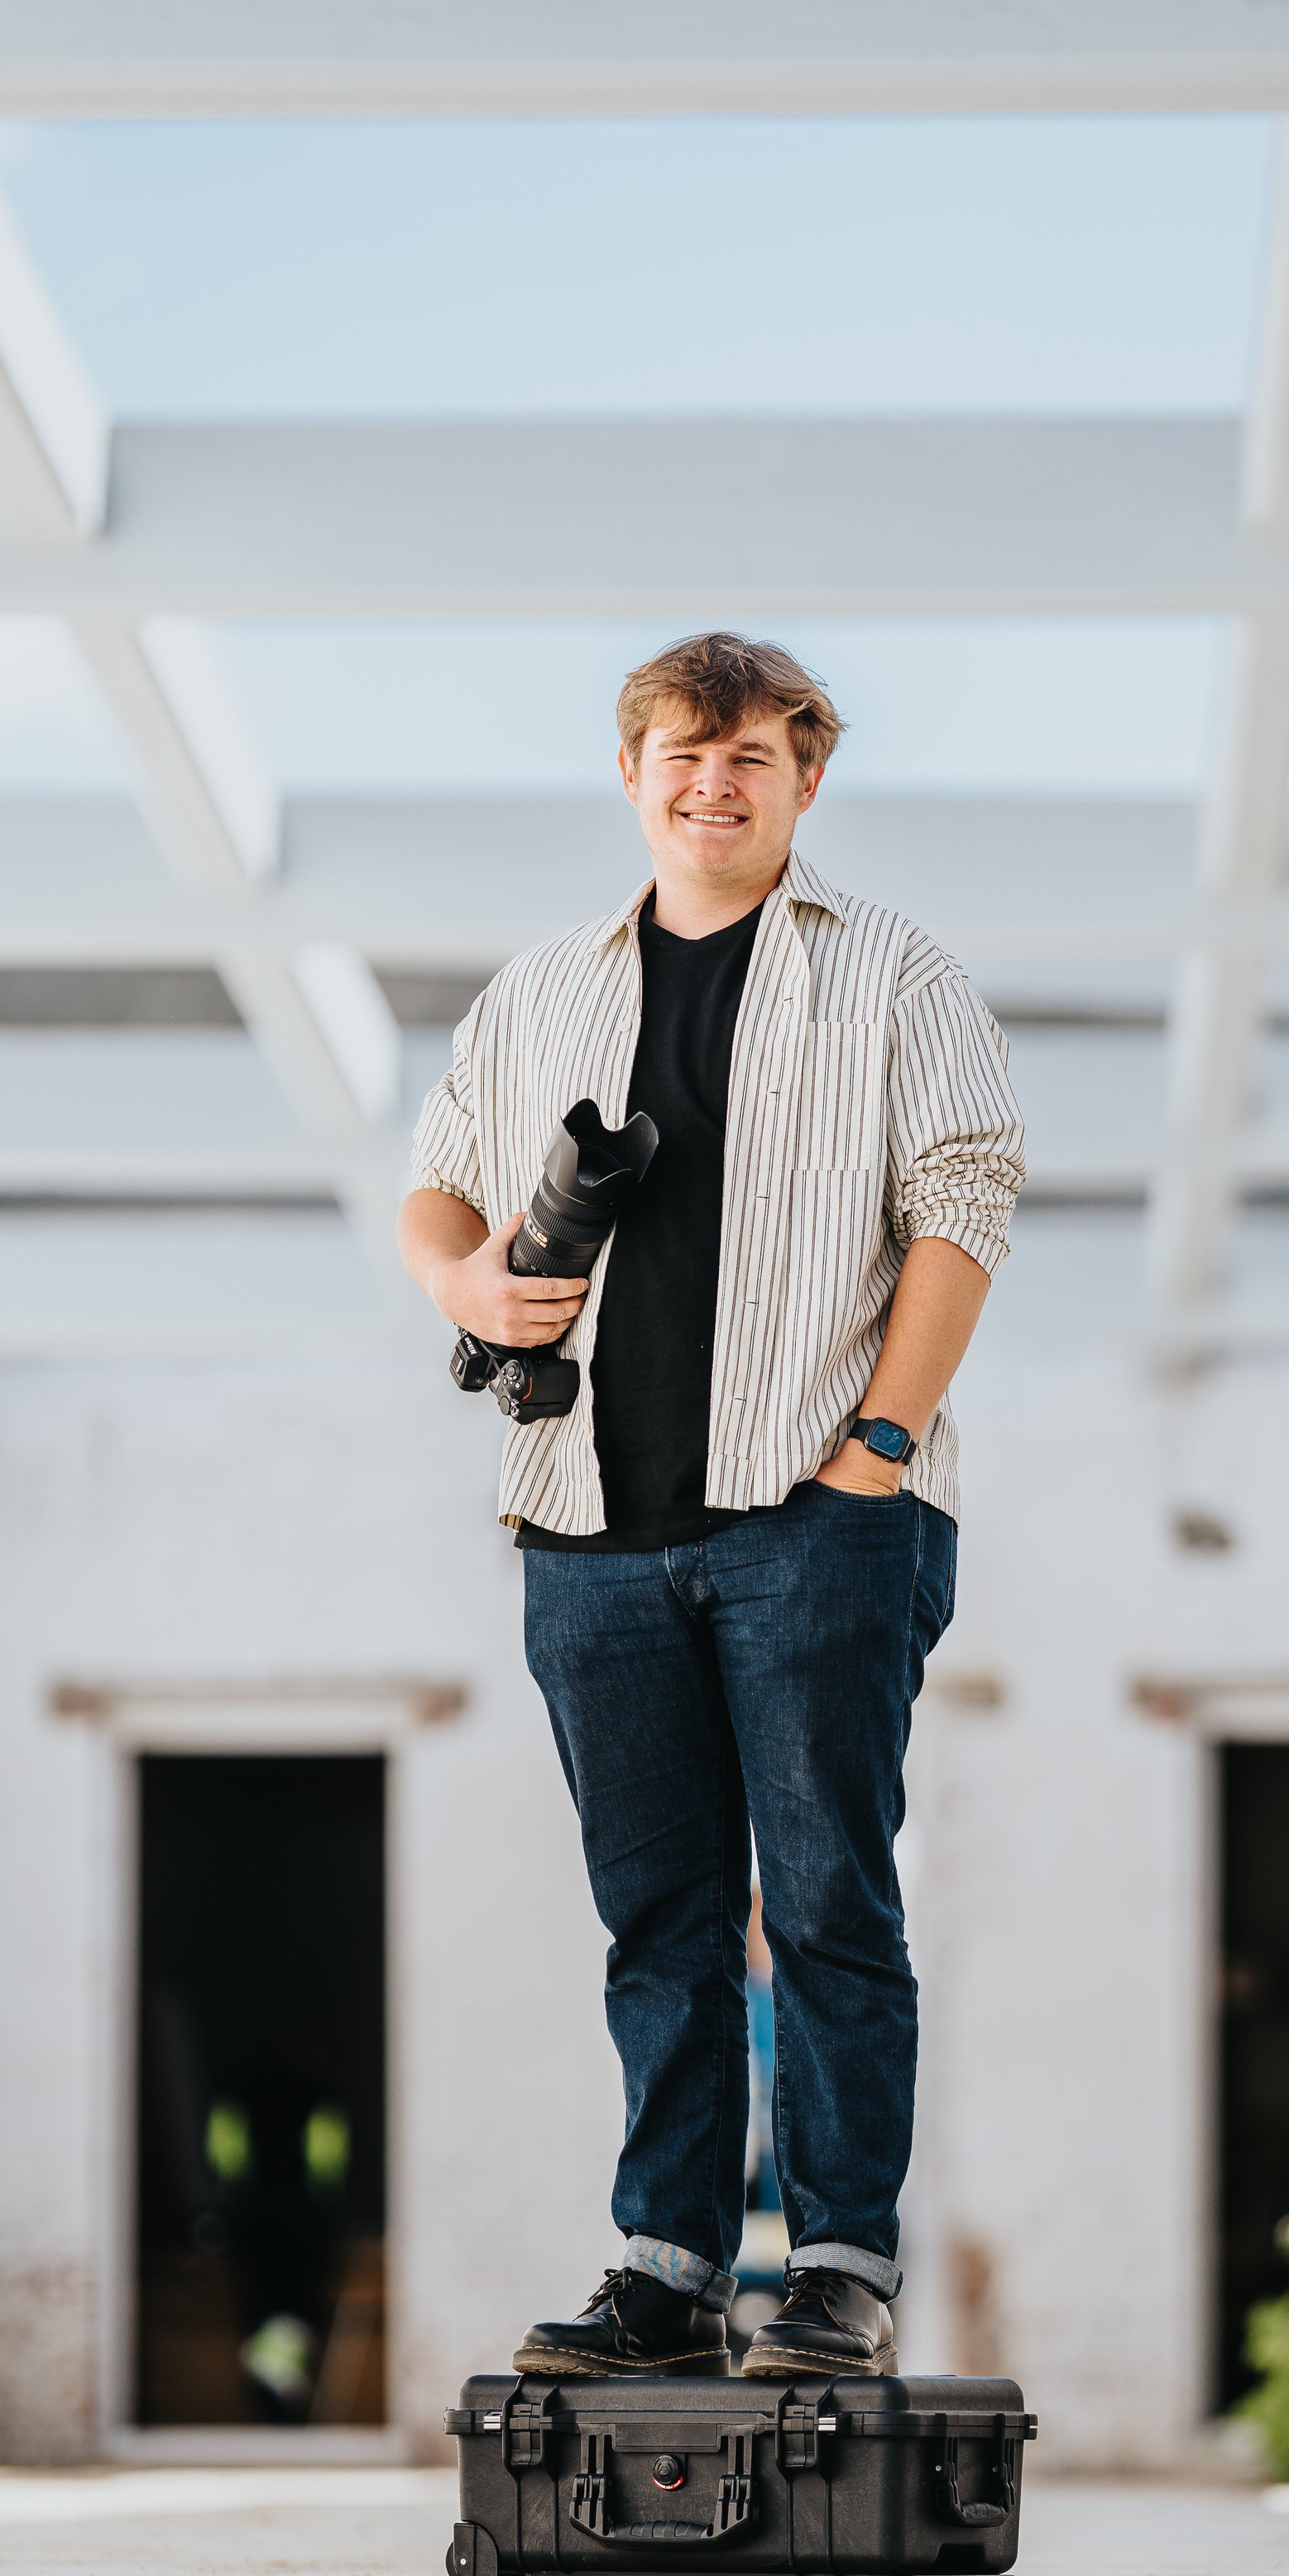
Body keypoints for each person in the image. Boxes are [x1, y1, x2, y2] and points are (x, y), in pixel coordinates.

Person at [400, 631, 1025, 2378]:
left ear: (803, 782)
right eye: (683, 753)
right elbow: (435, 1192)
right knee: (656, 1916)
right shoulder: (536, 993)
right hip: (584, 1523)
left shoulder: (898, 975)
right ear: (632, 772)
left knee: (827, 1900)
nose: (713, 784)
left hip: (815, 1513)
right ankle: (666, 2265)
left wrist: (876, 1452)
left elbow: (965, 1201)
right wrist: (463, 1290)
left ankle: (832, 2267)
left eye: (752, 757)